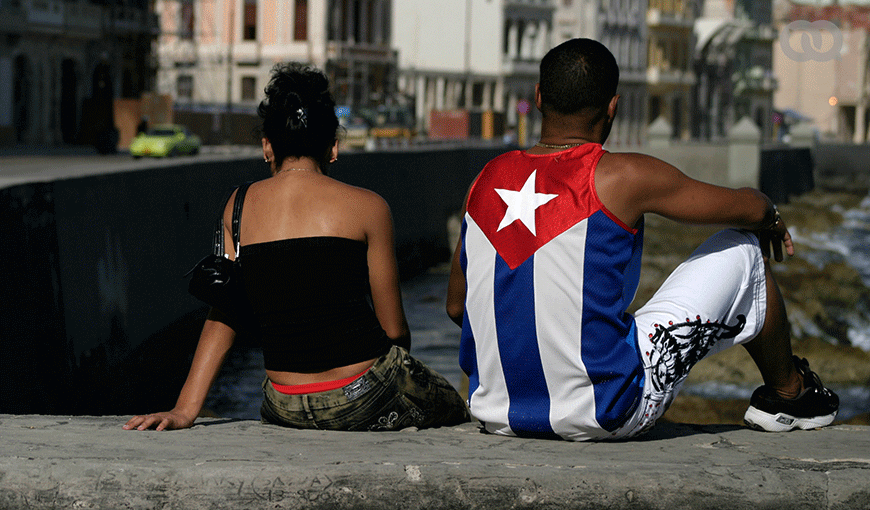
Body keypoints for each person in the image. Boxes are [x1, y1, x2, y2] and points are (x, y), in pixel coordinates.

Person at [445, 38, 838, 441]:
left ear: (539, 97)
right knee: (744, 251)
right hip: (609, 412)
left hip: (497, 413)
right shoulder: (623, 177)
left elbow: (458, 306)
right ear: (613, 107)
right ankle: (790, 395)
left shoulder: (485, 180)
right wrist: (770, 216)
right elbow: (749, 209)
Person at [125, 63, 469, 432]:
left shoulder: (238, 207)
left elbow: (225, 313)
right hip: (362, 393)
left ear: (267, 146)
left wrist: (185, 408)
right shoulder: (369, 207)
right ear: (333, 147)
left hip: (283, 402)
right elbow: (395, 331)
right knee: (457, 409)